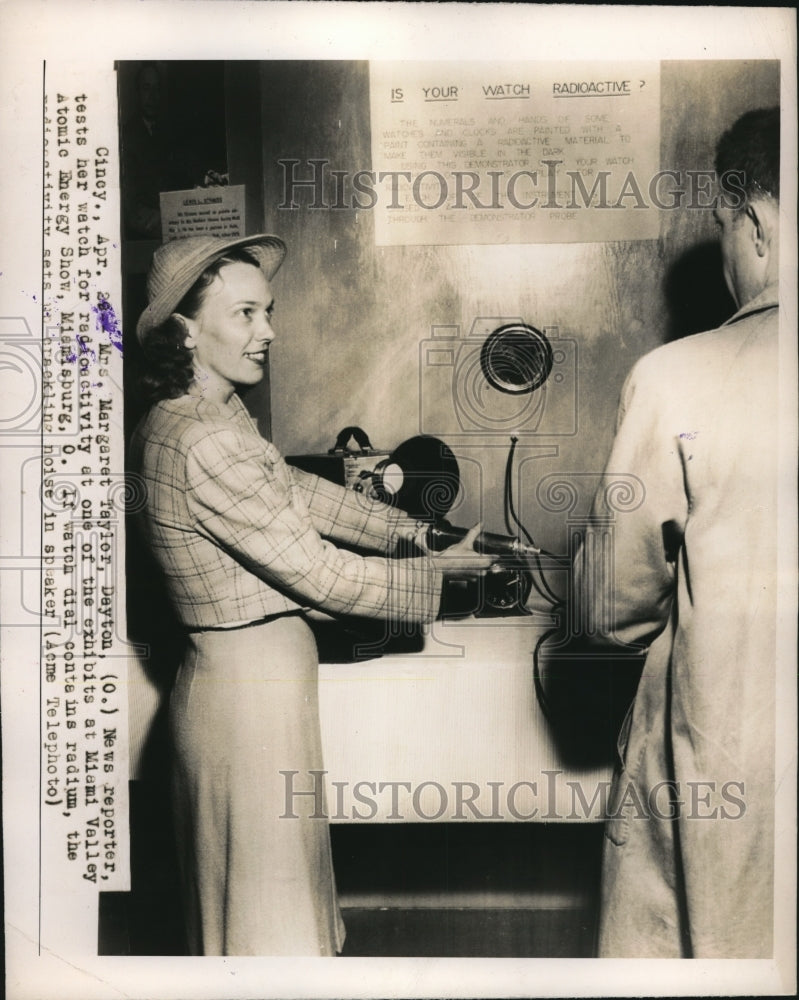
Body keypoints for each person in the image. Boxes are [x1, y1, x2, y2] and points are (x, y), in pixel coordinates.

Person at [129, 233, 494, 956]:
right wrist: (451, 588)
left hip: (251, 694)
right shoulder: (202, 438)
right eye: (244, 315)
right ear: (184, 331)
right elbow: (320, 573)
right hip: (245, 705)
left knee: (267, 919)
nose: (267, 332)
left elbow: (301, 494)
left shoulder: (206, 416)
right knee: (270, 933)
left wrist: (416, 537)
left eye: (267, 312)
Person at [573, 107, 782, 957]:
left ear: (756, 224)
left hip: (718, 761)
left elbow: (609, 608)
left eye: (725, 228)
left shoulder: (676, 378)